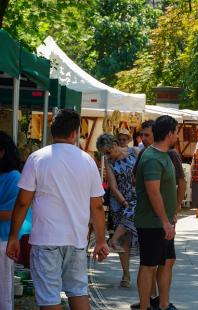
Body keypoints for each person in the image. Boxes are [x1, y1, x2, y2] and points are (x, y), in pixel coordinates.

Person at [7, 109, 109, 310]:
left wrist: (13, 236)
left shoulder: (37, 158)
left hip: (46, 239)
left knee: (49, 298)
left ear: (52, 131)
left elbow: (22, 203)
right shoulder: (88, 161)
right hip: (76, 240)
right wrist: (100, 240)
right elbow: (97, 205)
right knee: (78, 291)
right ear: (74, 133)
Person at [131, 120, 186, 310]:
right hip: (152, 223)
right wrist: (164, 221)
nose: (177, 136)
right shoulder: (153, 157)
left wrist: (172, 215)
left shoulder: (163, 155)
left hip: (162, 223)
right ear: (170, 134)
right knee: (148, 265)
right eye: (176, 132)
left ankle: (163, 305)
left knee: (167, 261)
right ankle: (145, 306)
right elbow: (153, 192)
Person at [96, 133, 139, 288]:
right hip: (120, 199)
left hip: (137, 195)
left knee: (128, 232)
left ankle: (111, 241)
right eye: (104, 153)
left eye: (107, 151)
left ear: (114, 144)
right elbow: (113, 187)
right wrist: (124, 202)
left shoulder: (134, 152)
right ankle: (126, 274)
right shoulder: (109, 162)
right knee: (124, 241)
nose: (106, 155)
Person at [0, 131, 32, 310]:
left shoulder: (14, 177)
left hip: (4, 240)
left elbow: (13, 212)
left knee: (3, 292)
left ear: (2, 152)